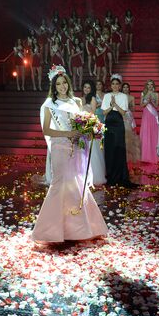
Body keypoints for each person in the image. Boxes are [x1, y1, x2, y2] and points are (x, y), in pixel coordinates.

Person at [32, 66, 108, 242]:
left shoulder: (76, 102)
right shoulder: (49, 104)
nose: (62, 86)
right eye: (58, 84)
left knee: (76, 183)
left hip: (76, 147)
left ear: (68, 83)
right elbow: (47, 129)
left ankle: (79, 230)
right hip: (59, 147)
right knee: (60, 184)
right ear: (54, 86)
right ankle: (50, 230)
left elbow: (80, 125)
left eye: (64, 82)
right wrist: (67, 134)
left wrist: (89, 130)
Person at [101, 74, 136, 188]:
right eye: (113, 84)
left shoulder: (123, 96)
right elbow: (104, 112)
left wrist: (115, 104)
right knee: (110, 149)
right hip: (109, 123)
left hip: (119, 123)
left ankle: (121, 175)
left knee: (119, 149)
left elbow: (123, 112)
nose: (115, 86)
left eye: (117, 84)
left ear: (120, 85)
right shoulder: (106, 96)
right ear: (110, 85)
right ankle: (110, 175)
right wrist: (111, 106)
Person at [81, 80, 106, 185]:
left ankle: (94, 175)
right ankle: (83, 174)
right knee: (82, 151)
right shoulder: (81, 99)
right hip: (81, 125)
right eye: (85, 87)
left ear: (91, 89)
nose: (86, 89)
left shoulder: (93, 98)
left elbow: (92, 112)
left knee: (92, 151)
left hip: (90, 125)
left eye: (88, 88)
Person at [139, 79, 159, 164]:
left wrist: (152, 101)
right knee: (146, 133)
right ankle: (146, 156)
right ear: (146, 86)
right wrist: (147, 101)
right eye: (148, 84)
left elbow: (156, 106)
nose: (150, 86)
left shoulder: (156, 94)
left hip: (153, 115)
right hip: (146, 115)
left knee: (154, 133)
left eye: (151, 84)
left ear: (153, 86)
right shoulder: (143, 93)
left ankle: (154, 156)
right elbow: (141, 105)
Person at [122, 82, 141, 163]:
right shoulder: (119, 96)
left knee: (130, 134)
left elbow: (134, 109)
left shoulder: (132, 97)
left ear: (129, 89)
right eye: (124, 87)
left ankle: (131, 153)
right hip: (122, 114)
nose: (125, 89)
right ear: (122, 88)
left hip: (128, 115)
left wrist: (130, 106)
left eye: (127, 87)